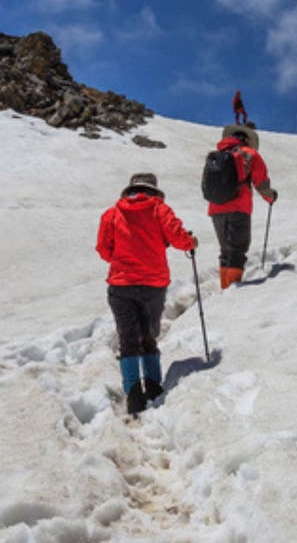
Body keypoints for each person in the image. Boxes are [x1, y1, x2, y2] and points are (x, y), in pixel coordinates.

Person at [96, 173, 198, 415]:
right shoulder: (159, 210)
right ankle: (153, 386)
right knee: (149, 336)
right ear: (153, 189)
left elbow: (103, 248)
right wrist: (191, 242)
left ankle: (133, 394)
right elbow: (179, 238)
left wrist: (124, 261)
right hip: (153, 284)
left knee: (128, 338)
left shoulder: (112, 213)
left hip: (121, 285)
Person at [207, 125, 276, 289]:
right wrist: (270, 197)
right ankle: (233, 290)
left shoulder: (217, 156)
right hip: (239, 208)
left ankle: (225, 288)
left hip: (216, 209)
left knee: (225, 251)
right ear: (247, 139)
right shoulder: (250, 154)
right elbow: (261, 182)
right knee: (237, 250)